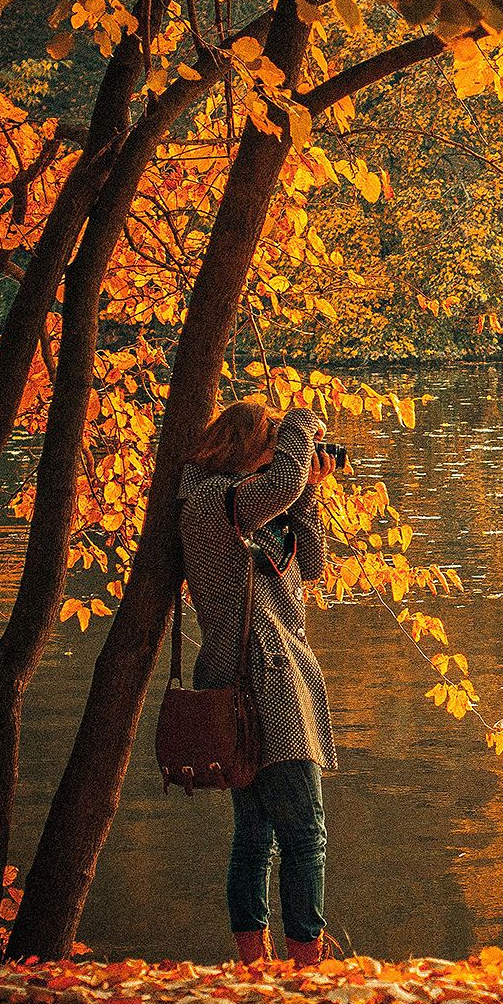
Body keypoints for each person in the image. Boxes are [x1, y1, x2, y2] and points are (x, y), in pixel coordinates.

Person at [179, 399, 339, 966]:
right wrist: (299, 423)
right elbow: (280, 482)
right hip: (253, 684)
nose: (282, 459)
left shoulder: (252, 510)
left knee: (258, 834)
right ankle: (305, 964)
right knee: (304, 832)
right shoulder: (209, 504)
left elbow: (313, 566)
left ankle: (258, 962)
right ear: (248, 448)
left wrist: (308, 497)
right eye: (273, 446)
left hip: (280, 678)